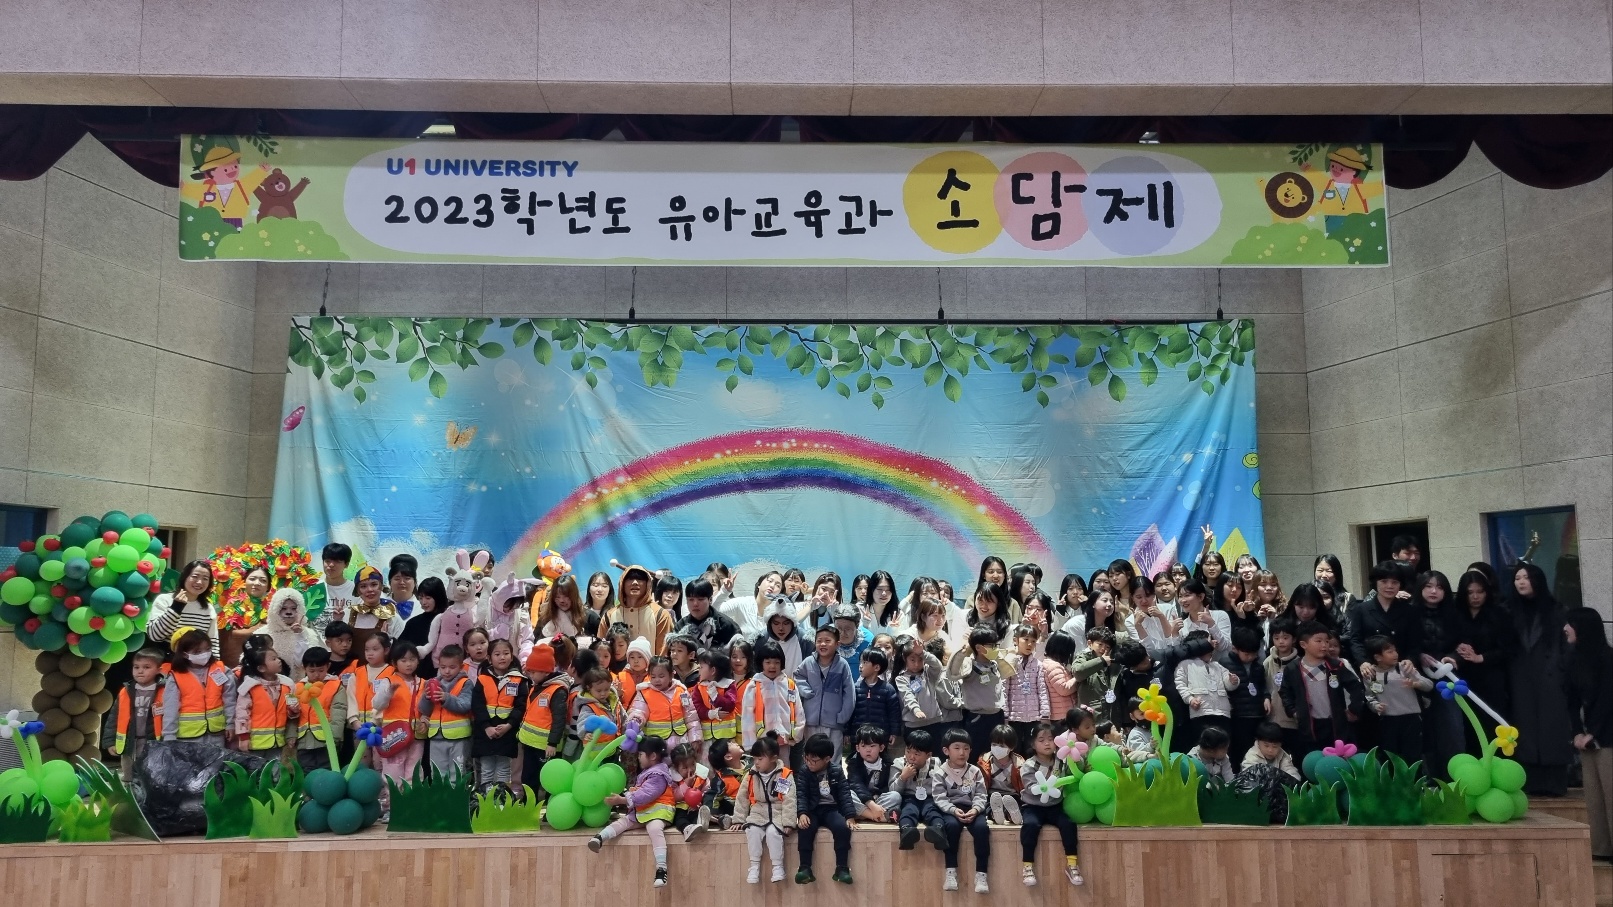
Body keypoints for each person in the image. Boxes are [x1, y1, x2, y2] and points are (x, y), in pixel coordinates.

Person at [1505, 562, 1574, 796]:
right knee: (1524, 730)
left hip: (1550, 678)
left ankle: (1555, 782)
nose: (1521, 582)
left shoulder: (1557, 610)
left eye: (1526, 577)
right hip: (1520, 679)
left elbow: (1567, 646)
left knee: (1552, 728)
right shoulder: (1509, 611)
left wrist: (1561, 670)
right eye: (1517, 578)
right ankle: (1528, 781)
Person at [588, 735, 677, 888]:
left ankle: (661, 869)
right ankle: (600, 838)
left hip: (660, 812)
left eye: (641, 754)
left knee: (654, 828)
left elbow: (645, 795)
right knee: (624, 821)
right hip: (645, 811)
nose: (638, 757)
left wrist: (622, 800)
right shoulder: (650, 771)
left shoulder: (658, 774)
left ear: (652, 756)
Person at [1564, 607, 1613, 862]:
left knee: (1611, 794)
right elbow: (1571, 700)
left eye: (1570, 624)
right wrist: (1577, 733)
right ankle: (1601, 848)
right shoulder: (1574, 660)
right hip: (1586, 739)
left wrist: (1593, 733)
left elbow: (1607, 701)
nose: (1565, 629)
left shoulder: (1607, 659)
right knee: (1594, 797)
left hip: (1607, 737)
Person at [1446, 570, 1513, 753]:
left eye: (1480, 592)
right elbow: (1447, 641)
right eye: (1470, 592)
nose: (1475, 597)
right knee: (1469, 726)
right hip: (1463, 677)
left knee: (1492, 723)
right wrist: (1458, 647)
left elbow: (1508, 648)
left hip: (1491, 677)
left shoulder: (1499, 614)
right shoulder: (1455, 614)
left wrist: (1480, 657)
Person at [1280, 620, 1366, 760]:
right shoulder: (1293, 668)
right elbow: (1285, 692)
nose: (1324, 645)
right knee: (1313, 760)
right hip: (1310, 725)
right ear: (1303, 644)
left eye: (1326, 641)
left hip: (1335, 724)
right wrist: (1293, 711)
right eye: (1318, 641)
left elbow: (1356, 686)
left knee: (1338, 761)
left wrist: (1353, 709)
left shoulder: (1336, 666)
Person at [1018, 720, 1082, 886]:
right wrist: (1045, 787)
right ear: (1033, 744)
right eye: (1041, 740)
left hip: (1055, 806)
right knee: (1030, 825)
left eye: (1050, 739)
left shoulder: (1061, 760)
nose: (1047, 743)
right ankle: (1027, 866)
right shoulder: (1029, 764)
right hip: (1033, 806)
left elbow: (1074, 773)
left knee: (1068, 824)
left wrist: (1078, 760)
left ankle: (1072, 865)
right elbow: (1030, 787)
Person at [930, 726, 992, 893]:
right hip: (951, 810)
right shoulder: (940, 773)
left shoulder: (975, 771)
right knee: (951, 827)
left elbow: (981, 794)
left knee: (982, 828)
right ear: (946, 750)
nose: (961, 752)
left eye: (966, 748)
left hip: (972, 808)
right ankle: (951, 871)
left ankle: (981, 874)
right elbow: (939, 797)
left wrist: (976, 809)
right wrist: (952, 810)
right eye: (956, 748)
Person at [794, 733, 858, 884]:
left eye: (814, 760)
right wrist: (802, 813)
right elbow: (801, 794)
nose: (809, 763)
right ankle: (804, 868)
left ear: (827, 759)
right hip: (812, 809)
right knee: (805, 828)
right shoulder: (804, 771)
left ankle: (842, 868)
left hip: (831, 809)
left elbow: (844, 794)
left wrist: (850, 816)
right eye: (806, 758)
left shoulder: (836, 771)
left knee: (842, 828)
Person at [732, 732, 795, 884]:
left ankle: (778, 867)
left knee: (773, 833)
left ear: (773, 758)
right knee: (752, 831)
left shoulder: (784, 774)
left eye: (760, 759)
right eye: (754, 758)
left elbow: (789, 799)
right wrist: (739, 819)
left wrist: (788, 822)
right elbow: (742, 797)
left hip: (778, 812)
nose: (756, 762)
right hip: (758, 812)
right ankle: (754, 866)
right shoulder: (751, 774)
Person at [1362, 635, 1433, 766]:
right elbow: (1369, 696)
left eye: (1395, 650)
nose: (1395, 654)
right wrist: (1376, 706)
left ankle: (1416, 778)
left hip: (1411, 718)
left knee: (1412, 754)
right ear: (1378, 657)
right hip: (1388, 720)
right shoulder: (1370, 674)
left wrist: (1415, 684)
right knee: (1390, 755)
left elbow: (1429, 685)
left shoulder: (1404, 668)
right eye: (1390, 652)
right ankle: (1392, 778)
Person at [373, 640, 426, 812]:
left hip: (416, 735)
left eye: (412, 659)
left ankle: (412, 806)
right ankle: (392, 808)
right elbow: (377, 704)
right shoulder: (387, 681)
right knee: (393, 770)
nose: (408, 664)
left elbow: (428, 708)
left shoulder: (423, 683)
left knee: (414, 770)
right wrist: (388, 693)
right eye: (403, 660)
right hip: (394, 735)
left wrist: (425, 721)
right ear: (394, 663)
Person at [159, 628, 235, 746]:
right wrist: (169, 736)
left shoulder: (221, 670)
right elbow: (170, 709)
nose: (204, 654)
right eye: (197, 651)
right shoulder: (176, 677)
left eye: (207, 649)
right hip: (188, 738)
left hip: (217, 734)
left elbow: (230, 699)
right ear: (185, 654)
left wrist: (231, 724)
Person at [1347, 562, 1424, 674]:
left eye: (1395, 582)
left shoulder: (1409, 611)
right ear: (1375, 582)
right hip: (1371, 669)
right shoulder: (1361, 609)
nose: (1389, 586)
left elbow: (1415, 642)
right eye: (1384, 581)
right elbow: (1355, 640)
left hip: (1401, 668)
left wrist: (1410, 659)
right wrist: (1363, 661)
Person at [949, 626, 1013, 760]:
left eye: (996, 645)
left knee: (997, 754)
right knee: (976, 754)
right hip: (977, 718)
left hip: (997, 716)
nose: (995, 648)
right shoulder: (969, 665)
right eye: (992, 645)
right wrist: (964, 651)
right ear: (978, 647)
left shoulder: (995, 664)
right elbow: (953, 673)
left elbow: (1009, 670)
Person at [471, 638, 523, 793]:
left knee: (504, 769)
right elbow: (477, 706)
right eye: (497, 654)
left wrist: (509, 725)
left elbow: (521, 706)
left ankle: (501, 799)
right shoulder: (482, 679)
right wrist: (487, 727)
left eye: (506, 653)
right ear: (489, 658)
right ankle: (485, 799)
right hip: (485, 732)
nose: (502, 657)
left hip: (507, 732)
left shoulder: (519, 680)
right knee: (486, 769)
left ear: (512, 656)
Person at [742, 639, 805, 764]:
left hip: (783, 740)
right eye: (768, 662)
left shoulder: (789, 684)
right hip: (762, 740)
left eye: (776, 662)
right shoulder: (754, 685)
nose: (772, 666)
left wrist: (796, 734)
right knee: (763, 769)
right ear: (761, 663)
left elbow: (798, 710)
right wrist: (750, 743)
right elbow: (747, 715)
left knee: (783, 769)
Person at [797, 625, 856, 755]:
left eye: (827, 641)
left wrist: (842, 717)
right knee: (811, 756)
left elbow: (849, 693)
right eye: (819, 641)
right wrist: (805, 690)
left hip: (834, 722)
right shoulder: (808, 662)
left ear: (837, 644)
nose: (822, 644)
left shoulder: (842, 665)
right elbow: (797, 676)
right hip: (810, 720)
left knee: (832, 757)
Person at [419, 644, 473, 780]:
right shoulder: (432, 683)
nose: (447, 671)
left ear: (461, 666)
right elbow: (424, 710)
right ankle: (440, 794)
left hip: (458, 736)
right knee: (437, 774)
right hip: (436, 736)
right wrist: (426, 698)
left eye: (452, 667)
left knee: (457, 774)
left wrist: (446, 698)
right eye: (443, 667)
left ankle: (457, 795)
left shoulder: (466, 683)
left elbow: (465, 705)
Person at [148, 560, 221, 660]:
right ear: (184, 577)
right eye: (195, 576)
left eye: (205, 578)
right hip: (166, 662)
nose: (199, 582)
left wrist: (214, 664)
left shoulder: (208, 608)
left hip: (195, 665)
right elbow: (155, 635)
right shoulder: (165, 600)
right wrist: (176, 608)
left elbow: (213, 643)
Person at [234, 644, 298, 760]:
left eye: (277, 657)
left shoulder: (288, 684)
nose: (279, 661)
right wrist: (243, 737)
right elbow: (242, 714)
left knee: (275, 769)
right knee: (256, 769)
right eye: (273, 659)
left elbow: (291, 710)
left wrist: (293, 711)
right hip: (255, 744)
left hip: (277, 741)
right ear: (261, 668)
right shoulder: (249, 687)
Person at [113, 649, 165, 780]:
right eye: (136, 667)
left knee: (149, 777)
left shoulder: (164, 690)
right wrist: (109, 742)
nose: (140, 671)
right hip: (129, 744)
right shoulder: (126, 691)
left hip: (153, 743)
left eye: (146, 667)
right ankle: (130, 789)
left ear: (158, 670)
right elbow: (114, 718)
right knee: (128, 777)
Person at [292, 646, 346, 773]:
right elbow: (292, 715)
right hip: (303, 740)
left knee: (327, 770)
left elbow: (339, 712)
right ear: (304, 668)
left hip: (326, 740)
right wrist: (291, 735)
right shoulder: (297, 687)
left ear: (328, 666)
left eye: (321, 670)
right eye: (312, 671)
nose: (316, 675)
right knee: (305, 771)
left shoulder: (335, 686)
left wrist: (335, 737)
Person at [1175, 636, 1237, 745]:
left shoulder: (1217, 665)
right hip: (1201, 711)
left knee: (1223, 743)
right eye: (1208, 645)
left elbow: (1228, 683)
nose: (1212, 649)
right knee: (1204, 743)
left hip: (1222, 712)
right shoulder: (1185, 664)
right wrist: (1190, 699)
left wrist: (1233, 681)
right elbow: (1180, 684)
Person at [1222, 626, 1268, 767]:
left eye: (1254, 654)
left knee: (1255, 751)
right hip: (1237, 716)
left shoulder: (1258, 666)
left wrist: (1266, 698)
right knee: (1238, 751)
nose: (1251, 657)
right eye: (1247, 654)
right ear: (1235, 649)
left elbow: (1263, 686)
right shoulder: (1224, 664)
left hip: (1257, 714)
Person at [605, 565, 674, 655]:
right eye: (630, 579)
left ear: (648, 584)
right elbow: (601, 651)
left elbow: (663, 654)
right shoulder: (609, 615)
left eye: (640, 579)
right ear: (622, 584)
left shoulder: (660, 614)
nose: (635, 582)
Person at [1004, 624, 1049, 752]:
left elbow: (1042, 690)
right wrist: (1005, 715)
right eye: (1026, 639)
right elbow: (1004, 690)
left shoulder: (1038, 665)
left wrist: (1045, 714)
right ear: (1015, 640)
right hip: (1014, 717)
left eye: (1033, 641)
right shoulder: (1009, 662)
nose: (1030, 644)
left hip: (1034, 717)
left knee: (1031, 749)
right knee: (1015, 749)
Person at [897, 637, 951, 741]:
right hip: (913, 724)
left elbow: (937, 665)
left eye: (920, 659)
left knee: (935, 750)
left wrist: (923, 653)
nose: (916, 664)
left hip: (934, 722)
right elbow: (907, 695)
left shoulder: (929, 673)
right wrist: (916, 709)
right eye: (912, 660)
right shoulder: (901, 678)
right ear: (905, 658)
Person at [1264, 619, 1302, 756]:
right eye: (1276, 638)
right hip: (1273, 720)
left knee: (1297, 757)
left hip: (1294, 721)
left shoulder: (1300, 663)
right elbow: (1263, 686)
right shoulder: (1268, 662)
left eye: (1285, 638)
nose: (1281, 641)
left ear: (1294, 639)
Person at [847, 724, 900, 822]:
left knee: (895, 796)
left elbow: (887, 786)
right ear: (858, 748)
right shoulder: (854, 764)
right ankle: (874, 816)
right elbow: (856, 785)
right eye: (863, 746)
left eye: (872, 746)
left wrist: (875, 799)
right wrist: (870, 804)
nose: (868, 750)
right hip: (861, 798)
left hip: (878, 799)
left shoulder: (887, 764)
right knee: (848, 794)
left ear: (881, 748)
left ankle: (863, 814)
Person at [849, 649, 902, 746]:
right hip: (858, 735)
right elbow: (850, 712)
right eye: (860, 662)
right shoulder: (855, 688)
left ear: (876, 667)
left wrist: (894, 732)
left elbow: (894, 713)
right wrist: (847, 732)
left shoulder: (888, 689)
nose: (860, 666)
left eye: (865, 662)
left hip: (880, 736)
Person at [345, 565, 404, 652]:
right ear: (357, 591)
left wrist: (387, 642)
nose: (369, 590)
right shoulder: (347, 614)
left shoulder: (393, 619)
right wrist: (337, 621)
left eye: (374, 584)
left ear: (381, 587)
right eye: (363, 586)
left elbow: (401, 652)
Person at [672, 576, 738, 652]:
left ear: (710, 600)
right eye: (691, 599)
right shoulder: (681, 626)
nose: (695, 604)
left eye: (700, 599)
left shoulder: (726, 625)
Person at [306, 543, 355, 637]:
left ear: (346, 564)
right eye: (327, 561)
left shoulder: (356, 590)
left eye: (337, 561)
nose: (331, 565)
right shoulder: (314, 589)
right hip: (317, 644)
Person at [690, 649, 739, 743]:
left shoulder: (728, 685)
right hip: (706, 737)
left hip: (726, 737)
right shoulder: (699, 687)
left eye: (701, 667)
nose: (698, 670)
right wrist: (711, 713)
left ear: (713, 670)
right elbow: (696, 708)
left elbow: (730, 705)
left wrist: (715, 696)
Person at [536, 573, 602, 641]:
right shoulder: (545, 618)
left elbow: (601, 643)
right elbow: (536, 642)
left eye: (566, 596)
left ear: (574, 595)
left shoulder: (591, 618)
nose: (561, 600)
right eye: (557, 597)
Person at [980, 724, 1024, 824]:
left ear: (1011, 747)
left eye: (1002, 746)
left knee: (1015, 804)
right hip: (992, 795)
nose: (997, 748)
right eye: (994, 744)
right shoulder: (984, 762)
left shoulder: (1019, 764)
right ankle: (994, 815)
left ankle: (1011, 816)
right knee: (988, 805)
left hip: (1012, 795)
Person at [759, 594, 814, 676]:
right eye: (776, 623)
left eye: (786, 623)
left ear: (792, 622)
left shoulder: (805, 640)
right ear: (770, 623)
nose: (781, 628)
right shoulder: (761, 639)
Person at [721, 570, 784, 640]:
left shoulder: (779, 614)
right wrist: (724, 591)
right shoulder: (742, 603)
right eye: (770, 581)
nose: (772, 586)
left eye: (778, 585)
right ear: (759, 584)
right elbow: (714, 612)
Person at [1111, 642, 1155, 734]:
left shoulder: (1161, 663)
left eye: (1145, 656)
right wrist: (1127, 723)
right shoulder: (1127, 681)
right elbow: (1128, 704)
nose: (1147, 660)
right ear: (1132, 666)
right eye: (1142, 662)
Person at [1072, 627, 1117, 711]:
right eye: (1100, 644)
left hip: (1106, 709)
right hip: (1089, 710)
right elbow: (1077, 672)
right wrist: (1101, 661)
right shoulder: (1083, 657)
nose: (1103, 649)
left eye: (1107, 647)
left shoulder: (1109, 661)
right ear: (1090, 643)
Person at [1042, 632, 1079, 721]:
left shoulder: (1049, 663)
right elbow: (1064, 689)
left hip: (1060, 714)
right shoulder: (1054, 666)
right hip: (1062, 716)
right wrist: (1078, 677)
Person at [1121, 698, 1156, 763]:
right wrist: (1151, 745)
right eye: (1142, 714)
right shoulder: (1134, 735)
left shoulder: (1153, 728)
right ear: (1132, 716)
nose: (1146, 716)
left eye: (1148, 712)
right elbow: (1138, 754)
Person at [387, 554, 419, 621]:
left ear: (415, 582)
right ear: (390, 582)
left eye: (407, 578)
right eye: (397, 579)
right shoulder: (379, 605)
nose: (402, 582)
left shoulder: (423, 608)